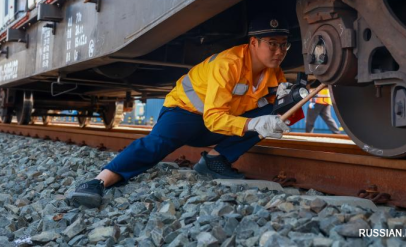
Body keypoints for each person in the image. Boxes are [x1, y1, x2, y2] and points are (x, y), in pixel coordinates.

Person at [70, 13, 304, 208]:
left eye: (284, 44)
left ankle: (214, 161)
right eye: (272, 44)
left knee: (272, 114)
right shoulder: (228, 64)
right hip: (184, 114)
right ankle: (98, 181)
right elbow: (213, 118)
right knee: (157, 144)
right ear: (254, 43)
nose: (279, 51)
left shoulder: (275, 73)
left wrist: (285, 108)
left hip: (217, 124)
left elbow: (271, 110)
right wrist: (253, 124)